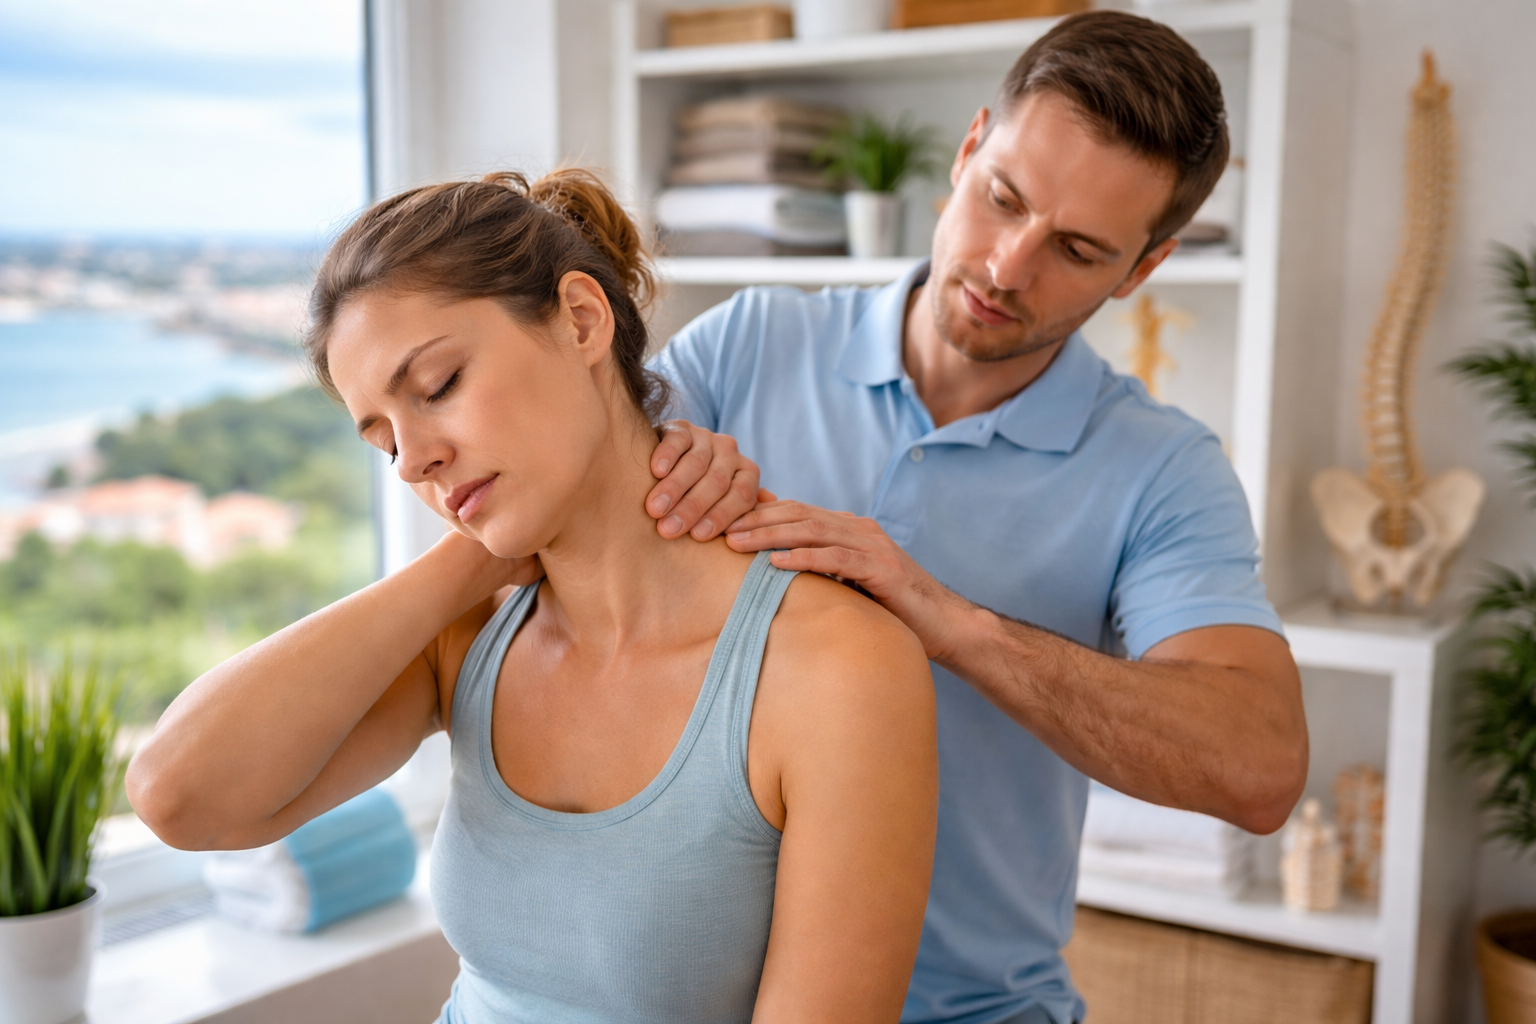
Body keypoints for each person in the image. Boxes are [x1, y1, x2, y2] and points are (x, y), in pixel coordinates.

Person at [125, 169, 939, 1024]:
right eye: (382, 440)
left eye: (437, 386)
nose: (411, 461)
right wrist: (468, 559)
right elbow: (180, 796)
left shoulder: (833, 666)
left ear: (582, 320)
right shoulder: (469, 637)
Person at [636, 12, 1309, 1024]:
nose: (1007, 267)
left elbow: (1258, 767)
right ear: (966, 152)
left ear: (1142, 270)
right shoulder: (748, 345)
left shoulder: (1163, 470)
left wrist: (948, 620)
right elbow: (551, 541)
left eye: (1078, 249)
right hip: (675, 995)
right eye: (1003, 199)